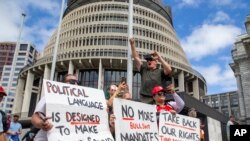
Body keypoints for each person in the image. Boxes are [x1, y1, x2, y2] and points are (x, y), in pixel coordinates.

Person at [31, 74, 79, 141]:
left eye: (78, 82)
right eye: (72, 82)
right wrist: (41, 123)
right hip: (47, 137)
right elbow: (35, 117)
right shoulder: (50, 97)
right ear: (63, 84)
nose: (76, 84)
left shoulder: (80, 102)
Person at [130, 37, 172, 103]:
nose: (149, 61)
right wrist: (132, 45)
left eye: (151, 60)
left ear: (156, 62)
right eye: (148, 60)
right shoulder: (143, 69)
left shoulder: (160, 71)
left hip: (156, 98)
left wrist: (159, 58)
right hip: (144, 98)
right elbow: (136, 58)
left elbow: (169, 69)